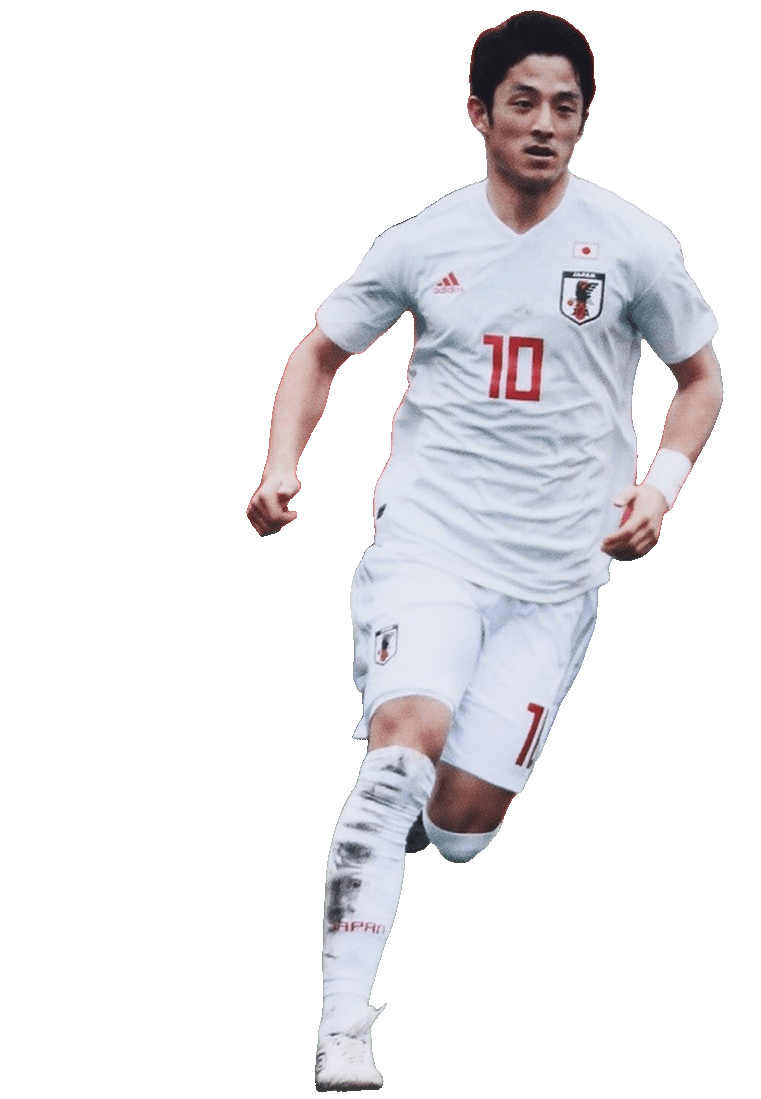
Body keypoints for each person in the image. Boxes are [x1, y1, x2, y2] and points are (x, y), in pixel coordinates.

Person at [247, 11, 723, 1091]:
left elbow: (700, 378)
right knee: (397, 759)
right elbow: (319, 353)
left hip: (555, 574)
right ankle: (341, 1027)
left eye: (565, 106)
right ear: (480, 114)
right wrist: (281, 462)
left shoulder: (634, 245)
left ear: (583, 120)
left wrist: (660, 487)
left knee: (460, 822)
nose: (544, 124)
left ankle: (424, 811)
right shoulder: (422, 242)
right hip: (433, 542)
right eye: (523, 103)